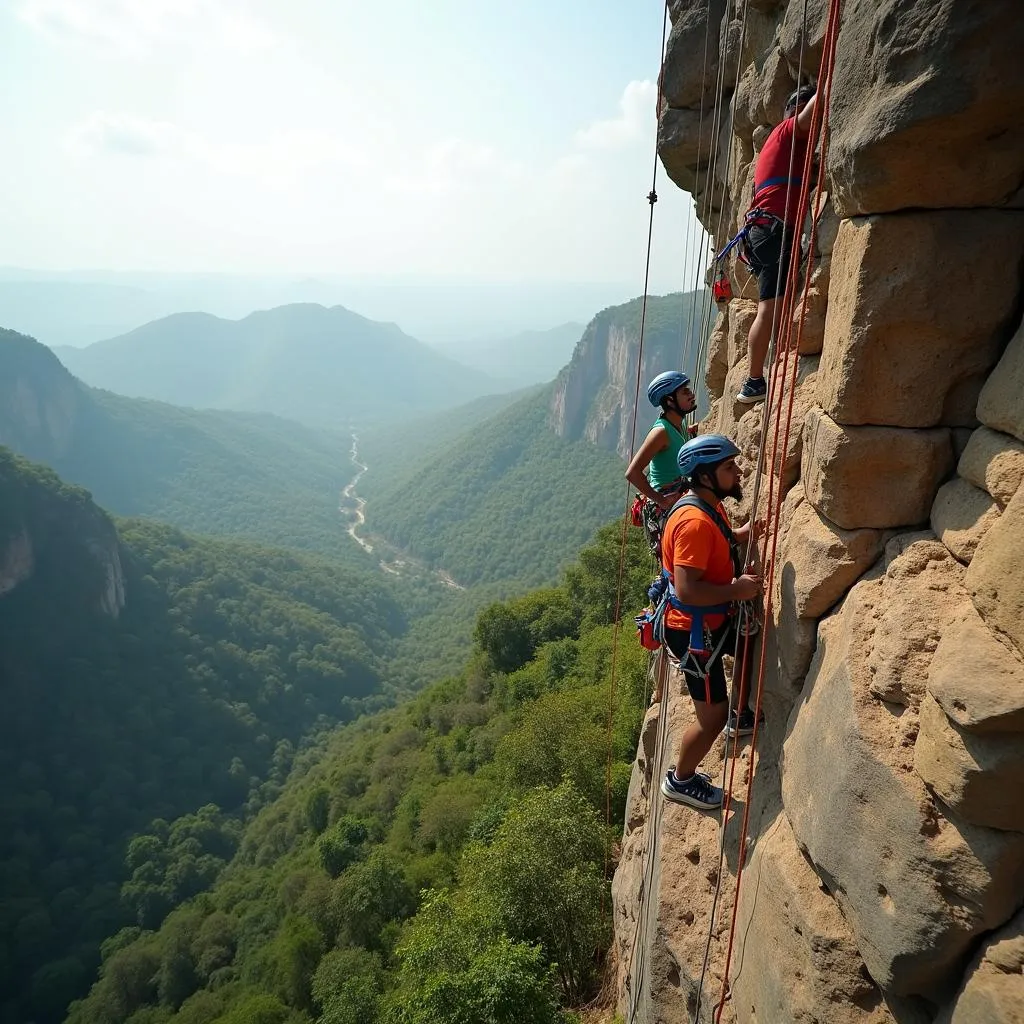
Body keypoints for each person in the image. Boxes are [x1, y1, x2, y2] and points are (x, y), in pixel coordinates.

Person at [658, 434, 763, 810]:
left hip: (708, 621)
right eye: (728, 467)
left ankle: (742, 714)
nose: (738, 472)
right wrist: (735, 590)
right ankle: (681, 780)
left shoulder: (707, 504)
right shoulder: (694, 522)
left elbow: (714, 544)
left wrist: (738, 535)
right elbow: (687, 590)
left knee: (750, 640)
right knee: (712, 717)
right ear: (704, 476)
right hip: (694, 633)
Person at [736, 83, 820, 405]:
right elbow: (809, 114)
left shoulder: (781, 147)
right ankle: (754, 381)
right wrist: (825, 86)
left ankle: (757, 376)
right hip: (773, 231)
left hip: (763, 232)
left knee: (771, 306)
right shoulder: (787, 131)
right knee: (768, 310)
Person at [625, 371, 699, 555]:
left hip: (678, 490)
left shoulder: (678, 424)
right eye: (684, 392)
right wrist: (662, 501)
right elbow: (632, 472)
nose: (691, 394)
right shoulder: (660, 432)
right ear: (670, 401)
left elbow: (675, 444)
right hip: (664, 503)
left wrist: (689, 433)